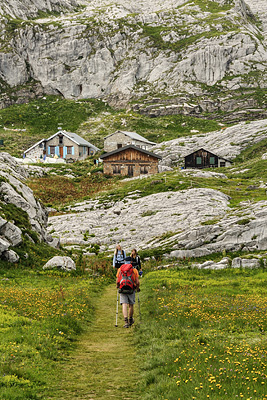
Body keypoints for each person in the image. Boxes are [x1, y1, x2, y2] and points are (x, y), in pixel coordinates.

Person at [116, 258, 140, 328]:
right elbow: (137, 282)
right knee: (131, 305)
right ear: (131, 262)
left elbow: (117, 281)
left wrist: (117, 286)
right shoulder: (134, 270)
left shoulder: (120, 269)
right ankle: (130, 319)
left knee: (124, 304)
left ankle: (126, 322)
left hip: (122, 288)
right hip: (131, 289)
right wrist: (137, 288)